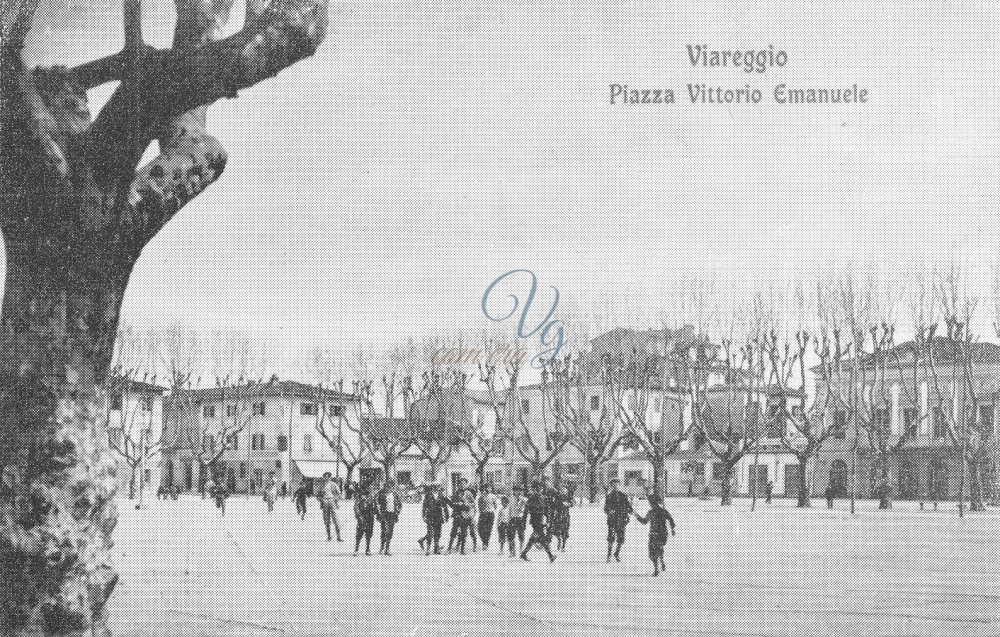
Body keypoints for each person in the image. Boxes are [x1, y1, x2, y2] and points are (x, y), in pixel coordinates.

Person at [634, 494, 676, 576]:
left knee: (652, 553)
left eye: (650, 502)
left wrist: (637, 515)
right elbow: (671, 519)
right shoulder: (663, 510)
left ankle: (656, 569)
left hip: (654, 534)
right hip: (663, 534)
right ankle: (662, 561)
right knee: (659, 549)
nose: (649, 504)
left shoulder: (651, 512)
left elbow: (644, 521)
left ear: (652, 503)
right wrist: (672, 529)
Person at [520, 481, 556, 562]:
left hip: (540, 520)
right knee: (542, 538)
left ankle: (524, 553)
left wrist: (548, 521)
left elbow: (547, 510)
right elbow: (526, 510)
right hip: (535, 521)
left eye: (539, 489)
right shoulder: (531, 498)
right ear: (534, 489)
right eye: (536, 489)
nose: (538, 490)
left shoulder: (543, 498)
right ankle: (550, 556)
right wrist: (524, 522)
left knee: (535, 538)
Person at [604, 478, 632, 562]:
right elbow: (605, 508)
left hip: (621, 519)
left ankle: (617, 553)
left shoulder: (623, 495)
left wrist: (631, 510)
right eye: (613, 485)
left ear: (619, 485)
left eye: (617, 484)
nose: (615, 486)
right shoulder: (609, 496)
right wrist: (609, 511)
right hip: (612, 520)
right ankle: (609, 555)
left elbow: (628, 506)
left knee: (621, 538)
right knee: (611, 538)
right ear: (611, 486)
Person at [420, 484, 449, 555]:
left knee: (438, 534)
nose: (436, 490)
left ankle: (436, 549)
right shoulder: (428, 496)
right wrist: (423, 515)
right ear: (432, 490)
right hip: (430, 517)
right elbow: (424, 506)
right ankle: (428, 549)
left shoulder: (442, 497)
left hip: (439, 517)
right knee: (430, 533)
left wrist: (447, 516)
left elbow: (445, 507)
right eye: (434, 489)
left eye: (438, 489)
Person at [377, 479, 402, 555]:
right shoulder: (381, 493)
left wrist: (397, 512)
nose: (389, 488)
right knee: (384, 531)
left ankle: (387, 548)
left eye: (391, 486)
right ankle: (382, 547)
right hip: (384, 515)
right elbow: (377, 503)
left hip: (392, 515)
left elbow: (400, 504)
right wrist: (379, 513)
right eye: (387, 486)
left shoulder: (395, 494)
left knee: (390, 532)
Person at [353, 481, 377, 556]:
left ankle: (368, 549)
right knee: (359, 533)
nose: (370, 488)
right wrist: (359, 516)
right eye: (369, 487)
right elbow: (356, 506)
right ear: (366, 487)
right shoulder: (360, 495)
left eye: (372, 487)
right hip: (362, 516)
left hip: (370, 516)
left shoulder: (373, 496)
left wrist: (377, 513)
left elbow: (376, 506)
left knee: (369, 534)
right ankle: (356, 549)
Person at [317, 473, 343, 542]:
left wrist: (336, 499)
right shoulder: (321, 485)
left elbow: (339, 494)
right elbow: (318, 495)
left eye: (327, 477)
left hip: (332, 501)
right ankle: (328, 537)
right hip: (325, 502)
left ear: (330, 477)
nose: (326, 478)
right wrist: (321, 500)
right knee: (326, 520)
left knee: (336, 519)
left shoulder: (333, 484)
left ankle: (339, 537)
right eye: (325, 477)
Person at [552, 485, 574, 552]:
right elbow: (554, 504)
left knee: (565, 531)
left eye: (564, 489)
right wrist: (560, 503)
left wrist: (569, 504)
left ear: (566, 490)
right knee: (555, 531)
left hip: (565, 516)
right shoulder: (557, 496)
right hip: (558, 515)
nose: (563, 491)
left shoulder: (568, 496)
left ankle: (563, 546)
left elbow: (573, 502)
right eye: (562, 489)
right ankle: (559, 539)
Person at [477, 485, 498, 550]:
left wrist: (491, 510)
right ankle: (484, 541)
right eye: (486, 488)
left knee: (488, 529)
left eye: (489, 488)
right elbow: (479, 506)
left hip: (490, 514)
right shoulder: (480, 497)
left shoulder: (493, 496)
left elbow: (495, 505)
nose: (487, 490)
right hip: (483, 514)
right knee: (479, 529)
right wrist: (482, 511)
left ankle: (485, 543)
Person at [510, 486, 528, 554]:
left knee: (521, 535)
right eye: (515, 491)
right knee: (511, 535)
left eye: (519, 491)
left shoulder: (523, 499)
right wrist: (509, 518)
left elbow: (527, 504)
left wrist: (522, 500)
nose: (517, 492)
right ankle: (513, 551)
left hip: (520, 518)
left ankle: (521, 550)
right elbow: (510, 509)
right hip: (513, 518)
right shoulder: (511, 498)